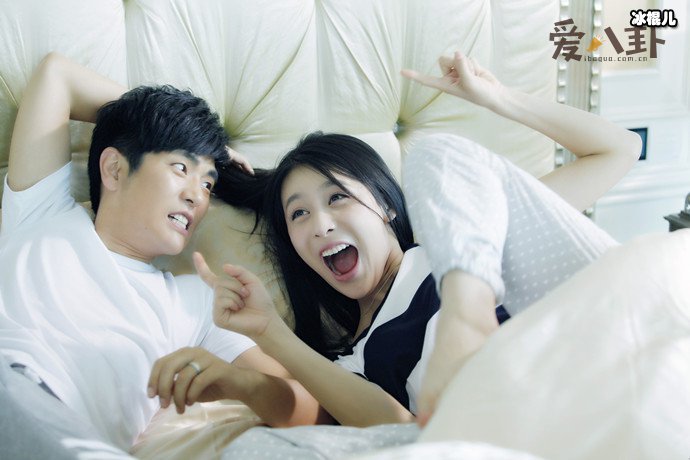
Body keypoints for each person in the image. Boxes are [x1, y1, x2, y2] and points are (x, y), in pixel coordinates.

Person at [199, 51, 641, 428]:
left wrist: (498, 98)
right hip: (546, 420)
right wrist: (270, 332)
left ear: (387, 206)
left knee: (434, 155)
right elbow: (394, 428)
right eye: (299, 214)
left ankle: (467, 315)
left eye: (337, 197)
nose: (321, 225)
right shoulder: (353, 362)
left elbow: (617, 150)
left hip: (606, 349)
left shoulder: (461, 230)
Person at [0, 52, 324, 460]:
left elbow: (315, 408)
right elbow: (57, 75)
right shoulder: (41, 212)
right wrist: (200, 139)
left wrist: (238, 383)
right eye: (181, 168)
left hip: (71, 443)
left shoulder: (196, 303)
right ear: (114, 170)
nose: (197, 196)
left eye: (208, 183)